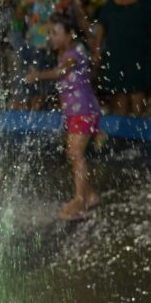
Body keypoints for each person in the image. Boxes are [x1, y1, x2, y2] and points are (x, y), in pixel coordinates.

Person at [26, 14, 101, 221]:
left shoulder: (75, 53)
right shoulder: (66, 52)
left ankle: (79, 201)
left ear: (70, 34)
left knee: (76, 154)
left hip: (84, 111)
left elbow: (61, 71)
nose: (51, 36)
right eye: (50, 32)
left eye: (55, 32)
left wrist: (37, 76)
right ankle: (90, 194)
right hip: (77, 112)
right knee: (74, 154)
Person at [95, 0, 151, 116]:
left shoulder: (146, 1)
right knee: (119, 92)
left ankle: (138, 129)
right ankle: (122, 132)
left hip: (139, 52)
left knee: (137, 91)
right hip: (116, 52)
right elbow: (101, 26)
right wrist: (97, 49)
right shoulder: (111, 2)